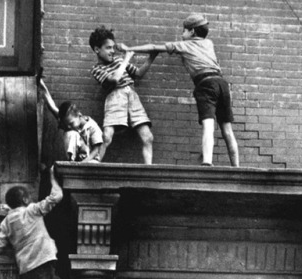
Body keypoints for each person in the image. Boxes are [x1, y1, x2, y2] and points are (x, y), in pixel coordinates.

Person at [118, 12, 239, 167]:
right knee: (227, 130)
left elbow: (154, 47)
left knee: (208, 125)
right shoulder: (209, 43)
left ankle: (207, 162)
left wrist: (129, 48)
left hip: (205, 84)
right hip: (221, 83)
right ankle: (237, 167)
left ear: (192, 32)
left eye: (184, 30)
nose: (182, 34)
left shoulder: (183, 45)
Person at [89, 25, 157, 164]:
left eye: (113, 47)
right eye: (108, 48)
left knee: (148, 137)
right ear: (97, 49)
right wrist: (126, 58)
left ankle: (148, 169)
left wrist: (151, 57)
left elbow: (138, 73)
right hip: (115, 97)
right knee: (107, 137)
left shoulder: (119, 61)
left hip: (132, 95)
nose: (112, 51)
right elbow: (114, 79)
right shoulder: (97, 69)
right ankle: (95, 162)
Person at [38, 77, 103, 162]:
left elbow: (96, 151)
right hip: (77, 160)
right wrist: (40, 83)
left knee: (71, 133)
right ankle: (70, 162)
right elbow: (52, 106)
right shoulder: (68, 120)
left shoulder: (93, 127)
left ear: (79, 115)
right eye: (66, 124)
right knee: (52, 170)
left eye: (71, 123)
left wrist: (83, 163)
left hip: (91, 160)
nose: (68, 126)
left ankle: (72, 165)